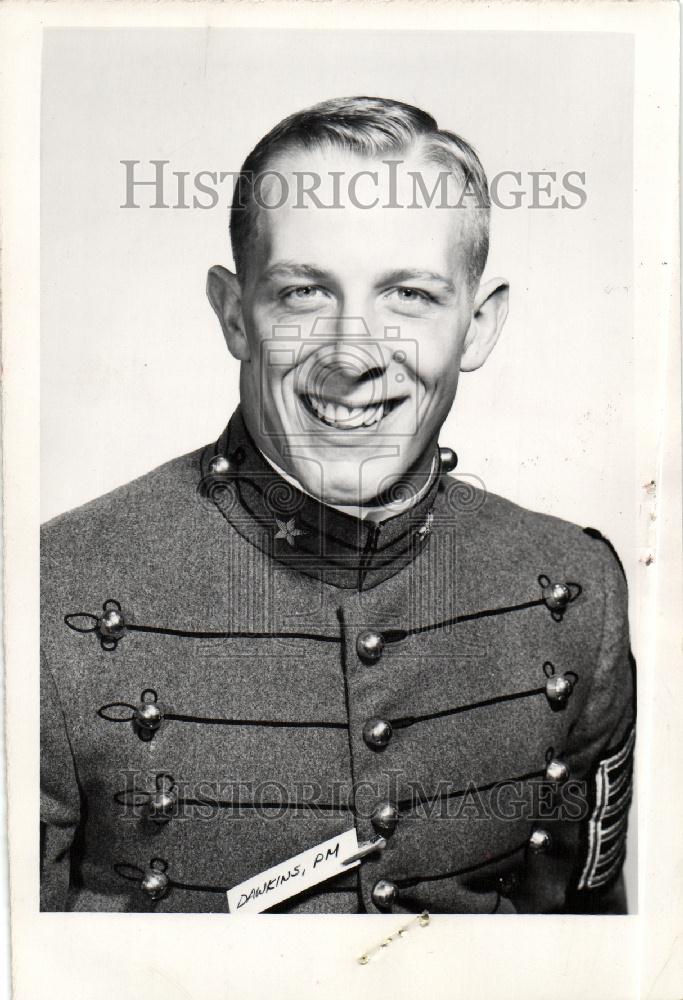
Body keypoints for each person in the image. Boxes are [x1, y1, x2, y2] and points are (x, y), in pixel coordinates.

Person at [40, 96, 635, 914]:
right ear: (233, 313)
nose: (353, 353)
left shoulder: (574, 590)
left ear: (479, 325)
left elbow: (582, 947)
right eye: (303, 294)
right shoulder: (47, 590)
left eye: (411, 297)